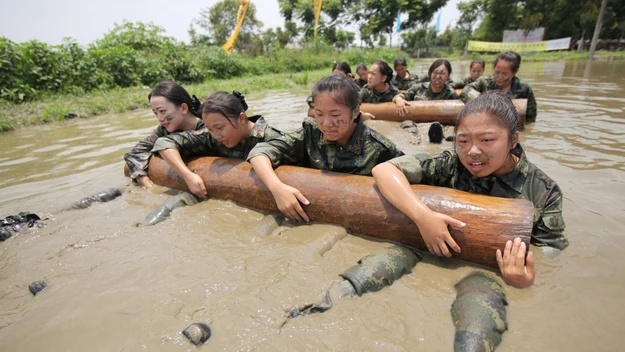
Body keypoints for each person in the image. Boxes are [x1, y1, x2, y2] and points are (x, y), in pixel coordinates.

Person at [371, 91, 568, 288]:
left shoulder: (543, 191)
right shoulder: (451, 164)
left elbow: (551, 254)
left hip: (489, 275)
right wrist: (423, 217)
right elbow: (384, 170)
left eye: (487, 140)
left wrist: (523, 280)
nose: (473, 151)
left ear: (513, 140)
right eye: (463, 141)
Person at [248, 75, 404, 222]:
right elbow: (260, 151)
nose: (326, 123)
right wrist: (277, 188)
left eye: (335, 115)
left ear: (356, 111)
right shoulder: (311, 133)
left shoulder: (380, 149)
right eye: (319, 114)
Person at [151, 91, 284, 199]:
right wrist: (187, 175)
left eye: (220, 127)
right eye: (210, 129)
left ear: (242, 118)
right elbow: (164, 142)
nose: (216, 135)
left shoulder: (272, 139)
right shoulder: (212, 138)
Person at [124, 81, 204, 189]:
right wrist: (145, 181)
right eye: (156, 113)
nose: (160, 118)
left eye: (162, 111)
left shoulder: (209, 127)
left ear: (184, 108)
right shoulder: (164, 131)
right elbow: (135, 153)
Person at [460, 51, 538, 123]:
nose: (499, 77)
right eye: (497, 72)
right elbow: (466, 89)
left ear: (515, 72)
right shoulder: (484, 82)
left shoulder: (524, 89)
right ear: (493, 68)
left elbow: (530, 119)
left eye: (505, 74)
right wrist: (479, 101)